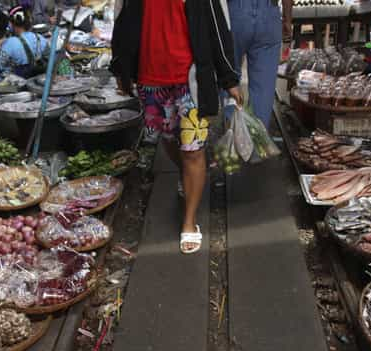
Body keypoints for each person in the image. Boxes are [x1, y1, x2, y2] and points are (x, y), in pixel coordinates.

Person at [112, 0, 242, 254]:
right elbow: (122, 23)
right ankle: (190, 175)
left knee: (193, 151)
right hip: (150, 80)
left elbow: (218, 27)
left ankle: (189, 221)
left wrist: (229, 78)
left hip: (190, 81)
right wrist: (121, 69)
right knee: (169, 141)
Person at [228, 0, 282, 129]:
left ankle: (232, 140)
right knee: (263, 89)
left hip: (235, 11)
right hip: (269, 12)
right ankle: (259, 142)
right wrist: (287, 20)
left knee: (229, 79)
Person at [0, 6, 49, 79]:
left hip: (19, 85)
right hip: (40, 83)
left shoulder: (10, 43)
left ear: (12, 24)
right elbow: (50, 61)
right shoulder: (40, 38)